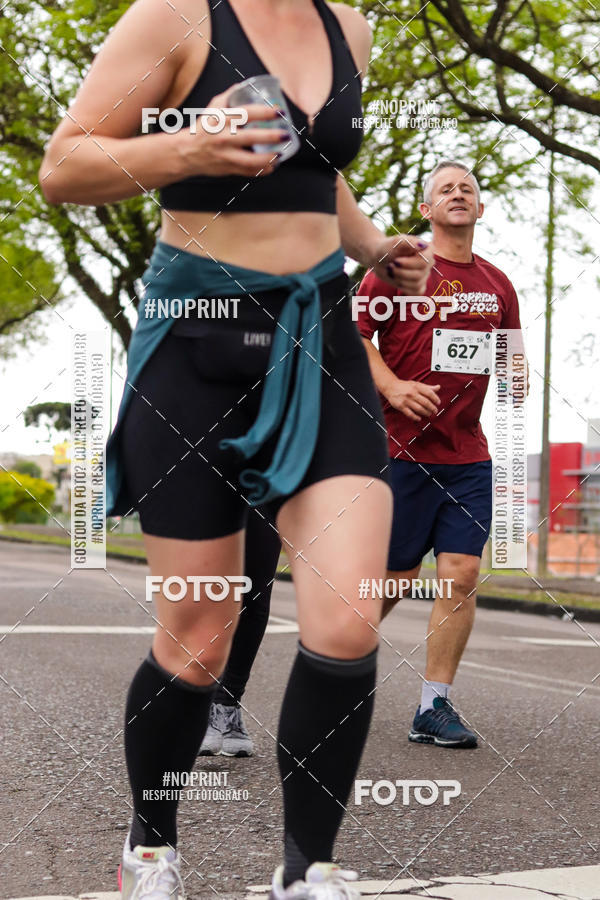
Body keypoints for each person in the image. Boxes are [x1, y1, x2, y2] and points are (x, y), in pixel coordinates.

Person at [39, 0, 433, 897]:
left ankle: (307, 871)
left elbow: (320, 171)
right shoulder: (174, 18)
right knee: (200, 635)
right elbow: (63, 167)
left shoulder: (352, 30)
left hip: (320, 343)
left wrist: (374, 245)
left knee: (347, 616)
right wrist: (186, 147)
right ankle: (151, 845)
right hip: (196, 349)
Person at [357, 160, 522, 749]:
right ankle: (332, 670)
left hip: (468, 455)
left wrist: (516, 374)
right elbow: (353, 337)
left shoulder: (498, 284)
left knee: (461, 575)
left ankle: (434, 706)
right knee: (394, 581)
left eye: (468, 189)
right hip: (400, 452)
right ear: (427, 210)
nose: (459, 194)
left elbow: (510, 355)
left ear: (479, 209)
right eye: (446, 189)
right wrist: (394, 387)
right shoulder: (401, 268)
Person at [199, 510, 281, 757]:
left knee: (255, 594)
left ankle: (227, 704)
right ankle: (200, 704)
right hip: (204, 476)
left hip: (267, 479)